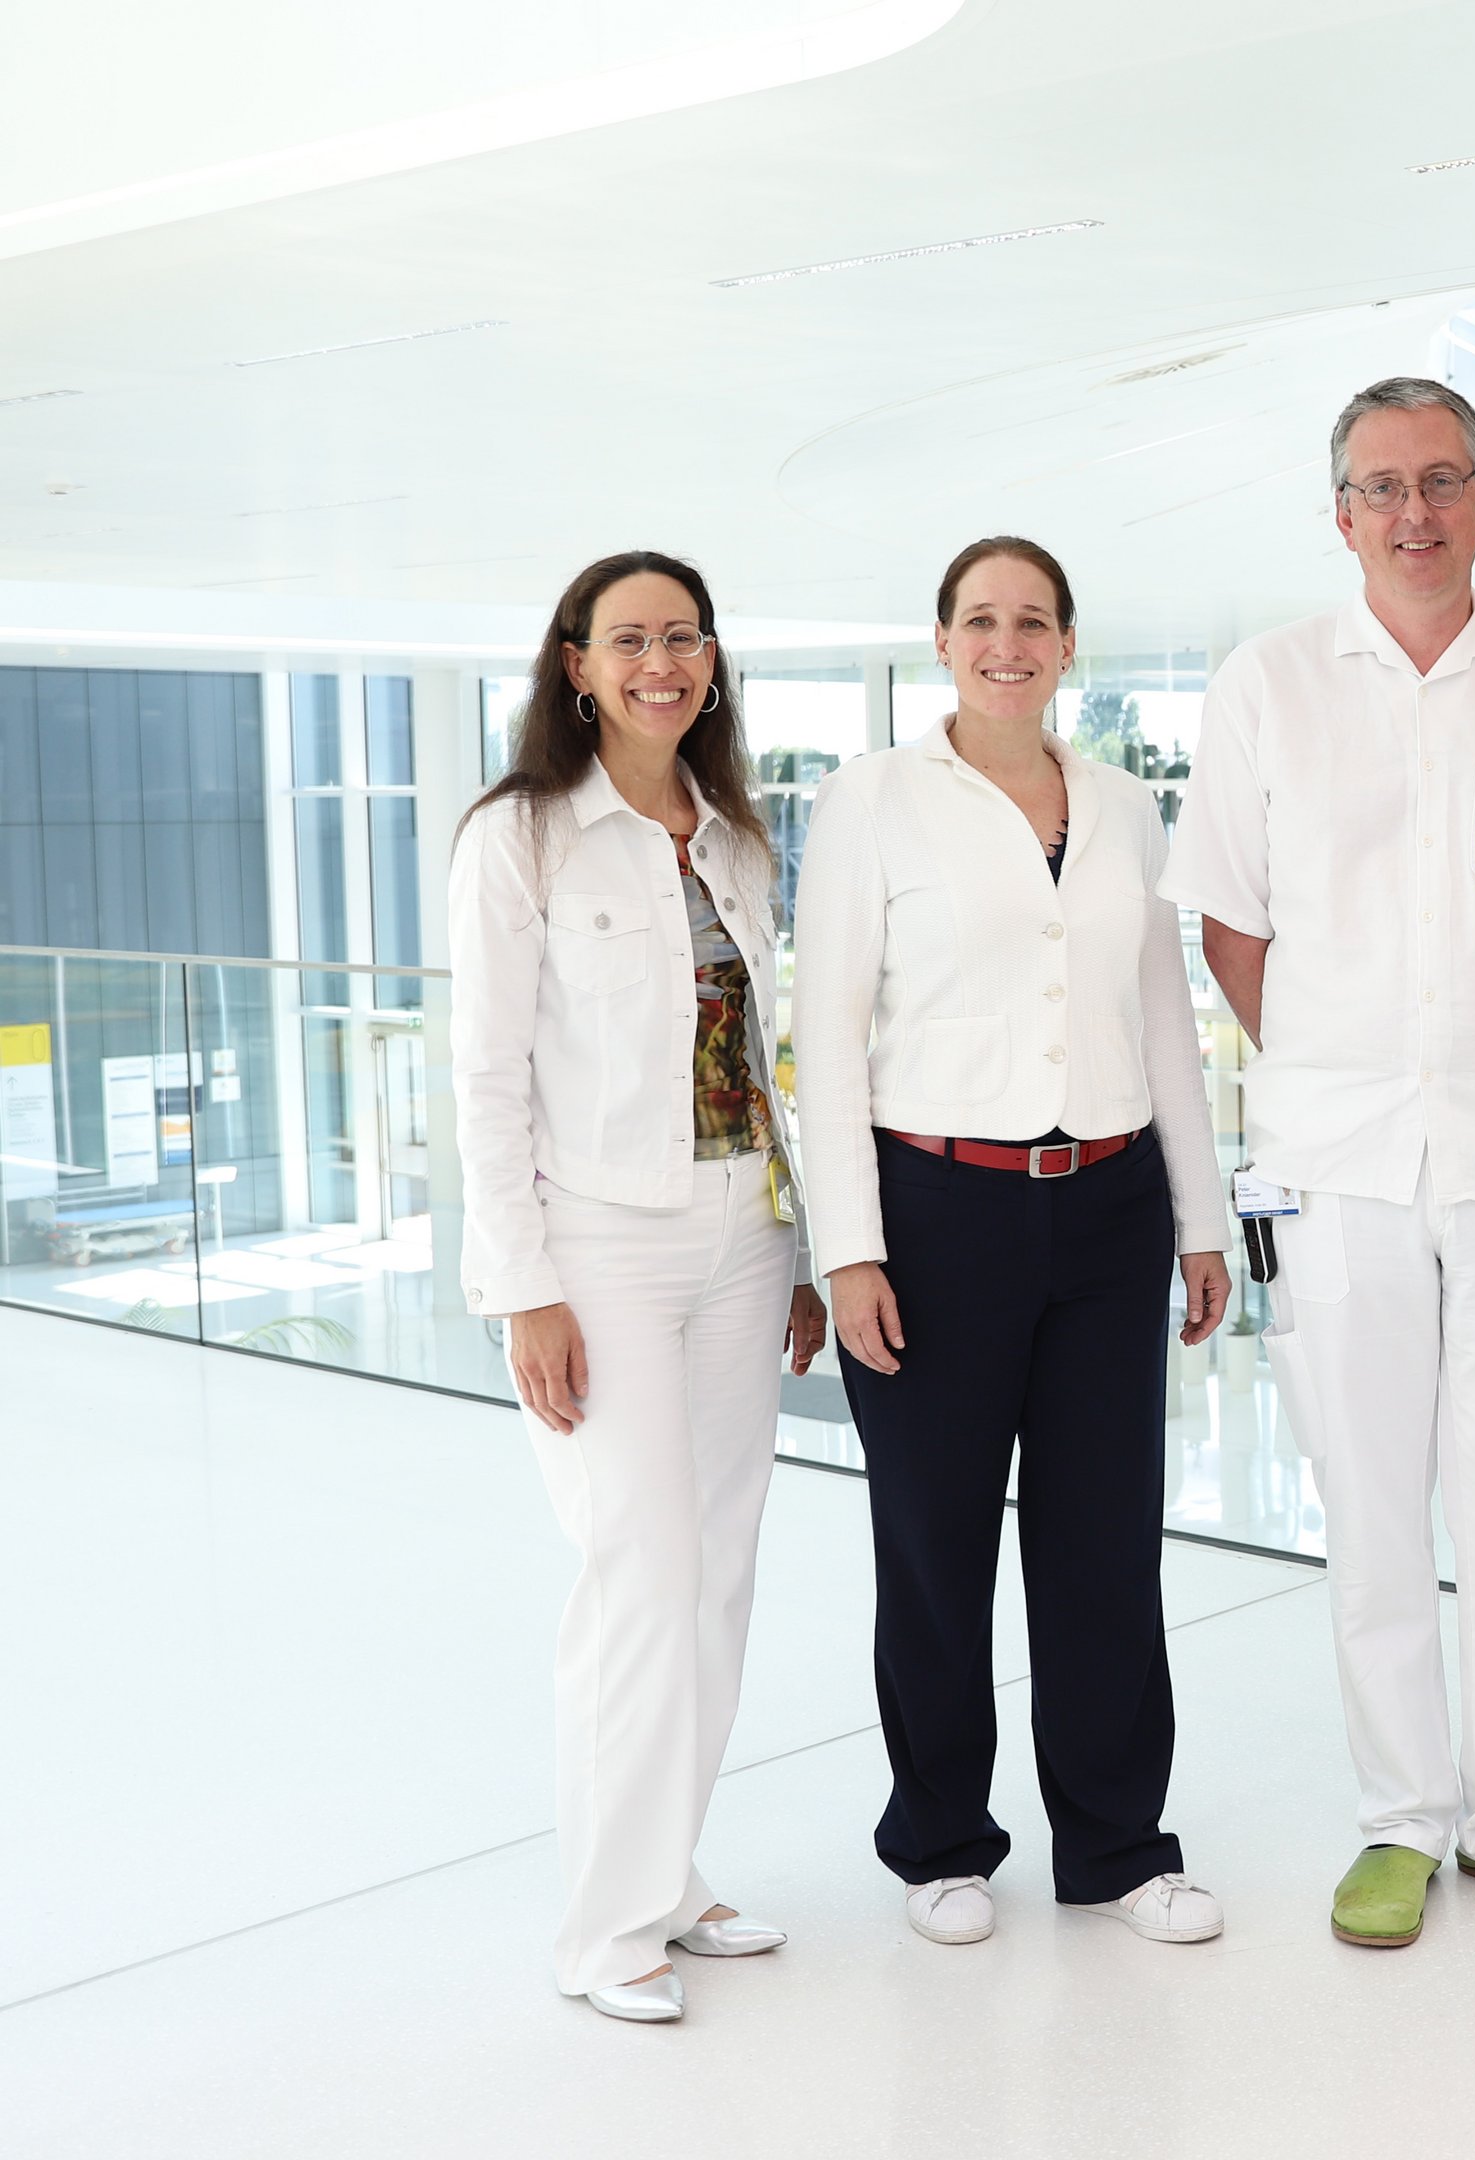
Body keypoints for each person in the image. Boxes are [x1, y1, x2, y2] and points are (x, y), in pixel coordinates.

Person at [1162, 378, 1475, 1950]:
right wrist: (1337, 1057)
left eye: (1443, 480)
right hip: (1335, 1162)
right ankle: (1400, 1819)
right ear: (1342, 516)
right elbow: (1230, 923)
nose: (1415, 511)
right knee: (1371, 1507)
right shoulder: (1269, 685)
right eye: (1382, 487)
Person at [791, 535, 1233, 1953]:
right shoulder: (872, 800)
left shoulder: (1120, 805)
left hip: (1108, 1208)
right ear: (942, 641)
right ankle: (939, 1839)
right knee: (934, 1543)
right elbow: (825, 1035)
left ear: (1066, 643)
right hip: (936, 1211)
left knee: (1105, 1543)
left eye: (1033, 620)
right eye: (980, 620)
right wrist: (846, 1248)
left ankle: (1115, 1846)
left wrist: (1200, 1216)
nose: (1007, 642)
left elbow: (1164, 1016)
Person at [448, 551, 831, 2023]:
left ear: (713, 662)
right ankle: (604, 1930)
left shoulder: (732, 834)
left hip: (742, 1234)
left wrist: (795, 1247)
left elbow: (758, 1067)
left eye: (683, 638)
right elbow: (484, 1077)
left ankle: (668, 1876)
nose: (659, 662)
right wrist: (520, 1287)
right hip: (599, 1247)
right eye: (630, 641)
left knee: (719, 1572)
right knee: (638, 1576)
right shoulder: (523, 838)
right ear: (577, 666)